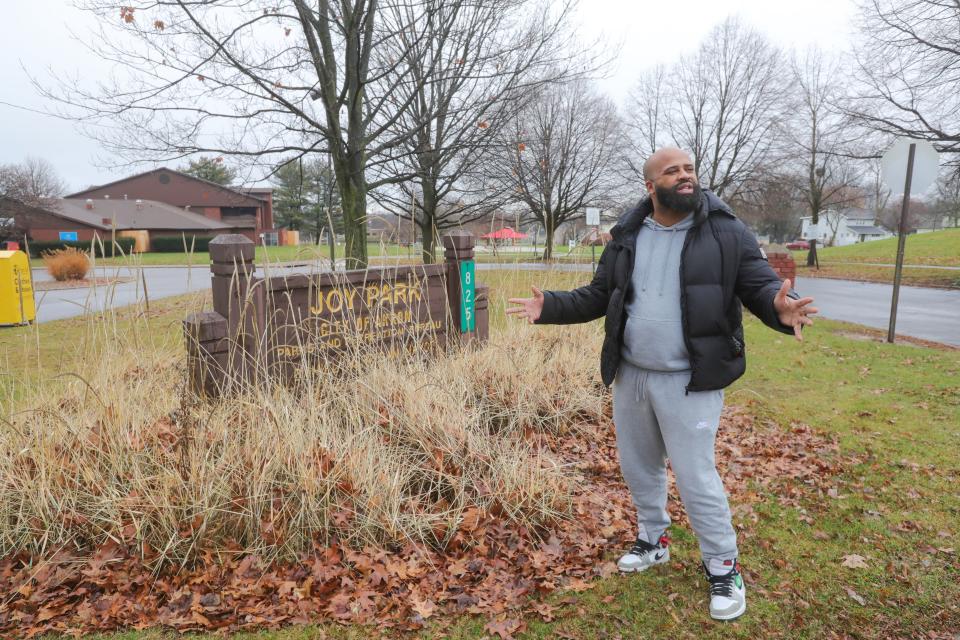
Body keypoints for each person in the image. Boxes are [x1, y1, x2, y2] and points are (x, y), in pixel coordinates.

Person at [505, 147, 817, 621]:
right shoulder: (628, 235)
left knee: (696, 478)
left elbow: (758, 285)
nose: (685, 176)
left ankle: (724, 567)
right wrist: (549, 306)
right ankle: (654, 540)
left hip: (690, 380)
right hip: (631, 373)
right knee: (639, 467)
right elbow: (598, 295)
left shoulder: (725, 231)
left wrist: (782, 308)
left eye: (689, 169)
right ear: (650, 186)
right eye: (672, 171)